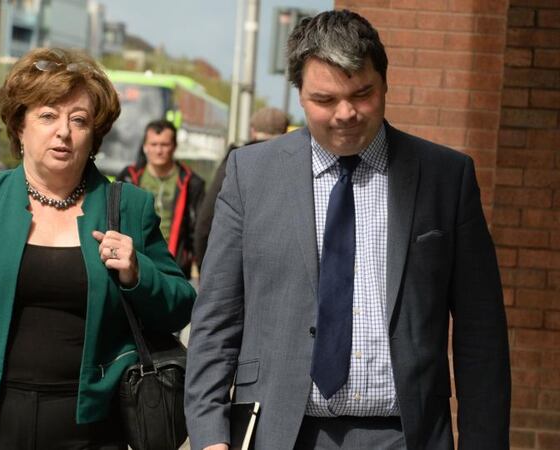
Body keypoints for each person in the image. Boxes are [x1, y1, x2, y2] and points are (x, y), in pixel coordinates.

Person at [185, 10, 510, 450]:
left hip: (405, 435)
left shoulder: (445, 178)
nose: (346, 114)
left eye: (362, 94)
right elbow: (216, 319)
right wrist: (209, 435)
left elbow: (481, 331)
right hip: (279, 434)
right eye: (325, 99)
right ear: (299, 94)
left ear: (385, 83)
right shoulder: (250, 174)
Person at [0, 48, 196, 450]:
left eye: (78, 120)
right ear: (20, 126)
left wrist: (137, 274)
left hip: (89, 431)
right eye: (47, 116)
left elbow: (181, 304)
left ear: (93, 135)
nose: (63, 131)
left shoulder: (128, 207)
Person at [193, 107, 289, 269]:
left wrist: (205, 267)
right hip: (279, 269)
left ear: (253, 131)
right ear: (286, 132)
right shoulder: (294, 165)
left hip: (235, 267)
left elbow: (205, 222)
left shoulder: (235, 163)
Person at [116, 120, 205, 278]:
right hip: (133, 262)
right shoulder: (128, 176)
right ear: (145, 146)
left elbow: (199, 229)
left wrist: (201, 267)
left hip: (174, 266)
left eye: (164, 144)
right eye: (153, 144)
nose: (158, 150)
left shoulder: (192, 182)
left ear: (174, 146)